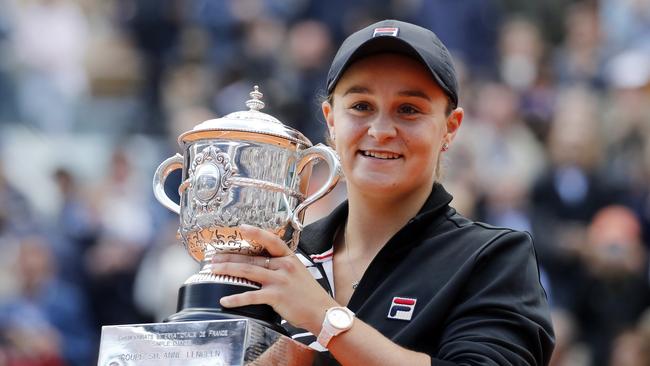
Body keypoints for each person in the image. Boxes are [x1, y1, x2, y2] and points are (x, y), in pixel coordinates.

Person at [210, 19, 555, 365]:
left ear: (450, 129)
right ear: (331, 121)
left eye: (409, 109)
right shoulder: (279, 260)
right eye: (361, 106)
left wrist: (325, 317)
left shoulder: (493, 258)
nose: (381, 130)